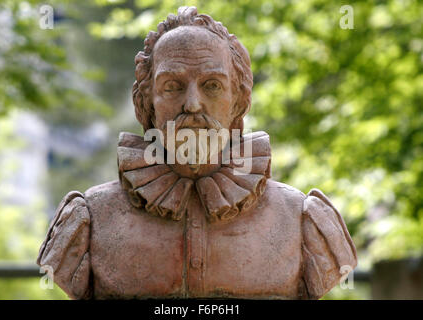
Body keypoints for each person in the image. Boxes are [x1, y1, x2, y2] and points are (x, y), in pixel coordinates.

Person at [37, 6, 356, 300]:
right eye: (172, 86)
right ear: (147, 101)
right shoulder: (91, 218)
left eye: (212, 85)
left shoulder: (300, 218)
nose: (192, 103)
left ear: (239, 101)